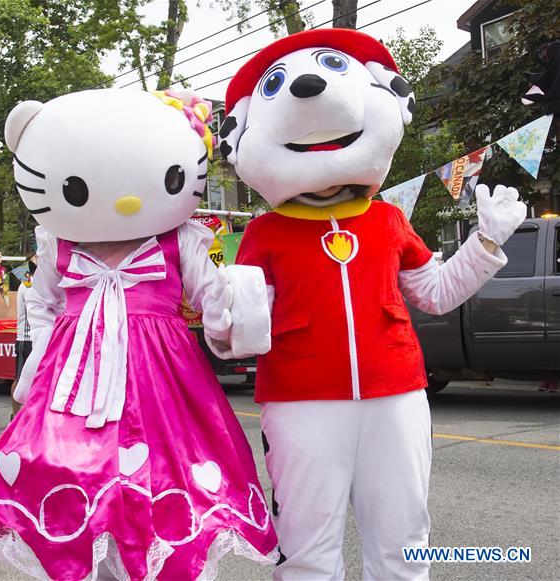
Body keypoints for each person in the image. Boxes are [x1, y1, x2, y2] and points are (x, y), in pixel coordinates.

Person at [217, 28, 527, 580]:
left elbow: (434, 293)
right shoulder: (264, 232)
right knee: (307, 540)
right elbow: (240, 329)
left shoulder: (389, 219)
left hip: (397, 393)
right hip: (300, 401)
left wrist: (485, 245)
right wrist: (226, 316)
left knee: (405, 534)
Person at [0, 89, 277, 579]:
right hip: (74, 371)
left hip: (161, 375)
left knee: (165, 475)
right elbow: (39, 299)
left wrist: (236, 313)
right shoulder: (57, 242)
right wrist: (44, 354)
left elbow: (215, 298)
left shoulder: (182, 238)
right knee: (72, 470)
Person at [10, 255, 37, 419]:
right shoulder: (28, 282)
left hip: (39, 338)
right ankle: (15, 416)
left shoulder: (38, 281)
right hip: (26, 338)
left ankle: (30, 415)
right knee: (21, 379)